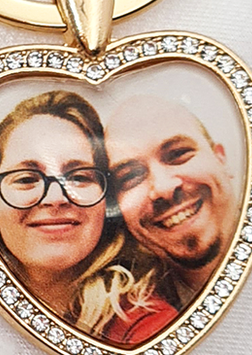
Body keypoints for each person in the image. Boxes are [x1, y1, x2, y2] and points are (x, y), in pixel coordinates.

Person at [0, 90, 175, 342]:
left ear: (107, 202)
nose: (56, 198)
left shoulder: (145, 325)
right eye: (26, 179)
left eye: (79, 177)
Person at [103, 92, 241, 319]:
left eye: (178, 154)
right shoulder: (128, 320)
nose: (163, 188)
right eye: (130, 177)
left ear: (220, 158)